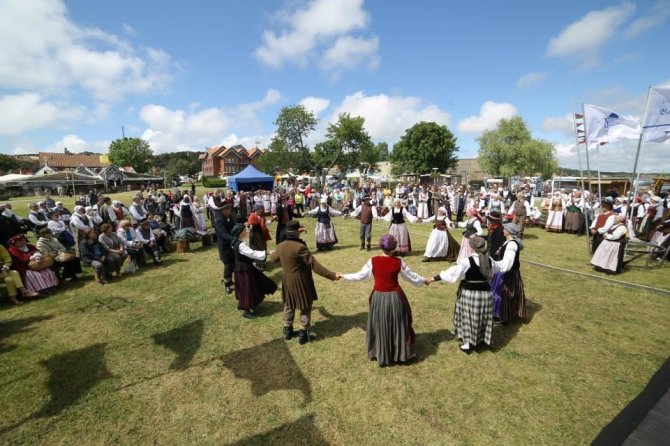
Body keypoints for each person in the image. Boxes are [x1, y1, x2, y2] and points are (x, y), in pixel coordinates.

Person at [341, 234, 427, 366]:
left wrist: (344, 275)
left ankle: (380, 351)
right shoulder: (398, 262)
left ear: (381, 247)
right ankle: (400, 353)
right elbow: (411, 277)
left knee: (381, 323)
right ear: (394, 247)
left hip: (379, 297)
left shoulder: (373, 261)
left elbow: (360, 276)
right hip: (394, 298)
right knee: (398, 324)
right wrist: (424, 281)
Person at [270, 220, 339, 344]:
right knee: (305, 305)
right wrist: (332, 275)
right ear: (297, 233)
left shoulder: (280, 246)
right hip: (300, 280)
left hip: (287, 280)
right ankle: (303, 334)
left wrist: (273, 253)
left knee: (289, 304)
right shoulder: (300, 247)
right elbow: (314, 265)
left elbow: (274, 259)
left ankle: (287, 330)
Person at [428, 236, 496, 352]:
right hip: (486, 294)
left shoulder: (467, 262)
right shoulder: (490, 260)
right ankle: (482, 339)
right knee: (483, 316)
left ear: (471, 247)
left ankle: (468, 344)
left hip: (470, 294)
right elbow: (498, 269)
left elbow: (452, 274)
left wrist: (435, 278)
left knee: (468, 318)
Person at [230, 223, 277, 319]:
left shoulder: (234, 241)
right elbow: (252, 253)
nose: (246, 232)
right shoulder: (241, 245)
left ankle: (251, 303)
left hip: (241, 268)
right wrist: (267, 253)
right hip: (244, 269)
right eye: (244, 231)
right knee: (247, 288)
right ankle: (246, 311)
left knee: (253, 285)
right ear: (240, 233)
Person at [494, 223, 527, 323]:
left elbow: (508, 261)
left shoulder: (512, 244)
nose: (503, 230)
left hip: (509, 273)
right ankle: (500, 313)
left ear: (508, 232)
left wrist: (501, 269)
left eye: (504, 229)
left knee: (506, 293)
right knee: (501, 293)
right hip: (505, 271)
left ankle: (504, 316)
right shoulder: (508, 242)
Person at [214, 204, 236, 293]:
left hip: (231, 244)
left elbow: (233, 226)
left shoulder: (229, 216)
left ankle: (230, 280)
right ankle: (227, 284)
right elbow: (223, 234)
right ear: (223, 210)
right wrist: (233, 239)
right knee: (227, 264)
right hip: (224, 246)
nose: (230, 211)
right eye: (228, 209)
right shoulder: (219, 220)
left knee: (232, 263)